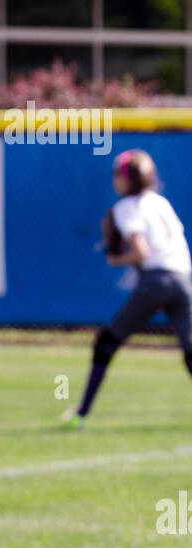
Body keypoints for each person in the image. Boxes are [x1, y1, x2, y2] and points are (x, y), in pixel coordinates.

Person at [65, 149, 192, 425]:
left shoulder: (126, 208)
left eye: (116, 175)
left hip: (157, 281)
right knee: (190, 350)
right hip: (184, 278)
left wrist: (116, 258)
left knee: (106, 342)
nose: (114, 180)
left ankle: (81, 413)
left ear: (127, 179)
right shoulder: (160, 202)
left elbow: (142, 252)